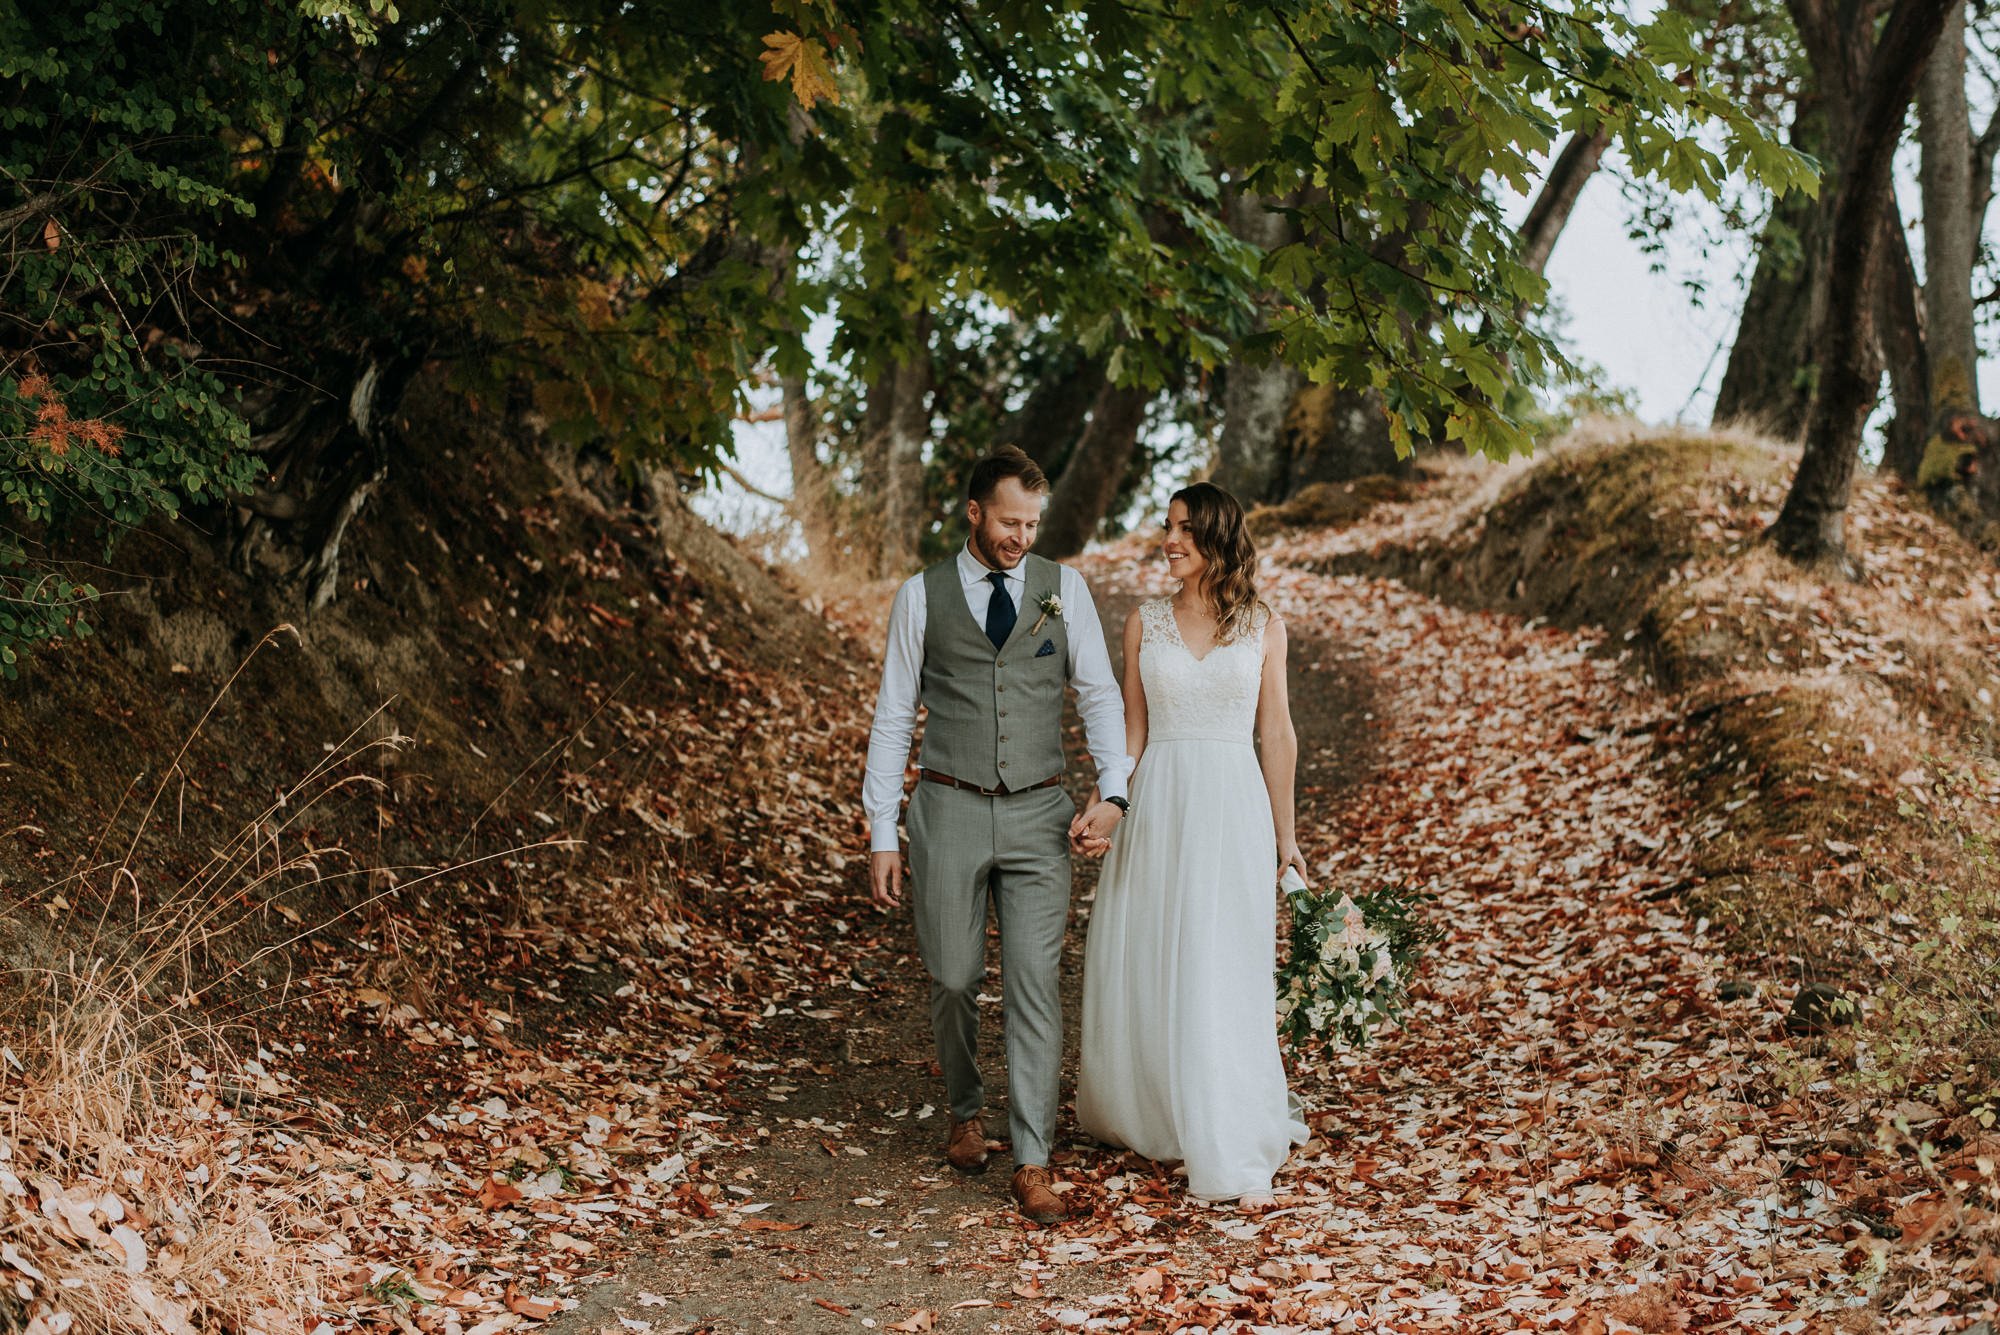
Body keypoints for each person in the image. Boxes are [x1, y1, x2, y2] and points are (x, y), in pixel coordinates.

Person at [861, 446, 1132, 1226]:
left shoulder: (1062, 589)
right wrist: (884, 827)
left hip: (1039, 812)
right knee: (951, 976)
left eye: (1033, 523)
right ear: (975, 512)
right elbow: (891, 716)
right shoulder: (921, 597)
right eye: (1011, 520)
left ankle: (1033, 1158)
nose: (1022, 535)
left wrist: (1113, 789)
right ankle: (964, 1107)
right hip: (946, 805)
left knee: (1034, 984)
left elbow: (1099, 694)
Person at [1075, 480, 1310, 1203]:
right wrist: (1107, 798)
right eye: (1167, 527)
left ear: (1215, 538)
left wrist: (1286, 834)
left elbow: (1276, 732)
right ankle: (1157, 1102)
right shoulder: (1144, 622)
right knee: (1158, 946)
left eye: (1183, 529)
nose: (1169, 541)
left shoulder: (1264, 624)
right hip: (1160, 803)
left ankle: (1226, 1116)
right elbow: (1132, 733)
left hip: (1231, 804)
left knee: (1221, 956)